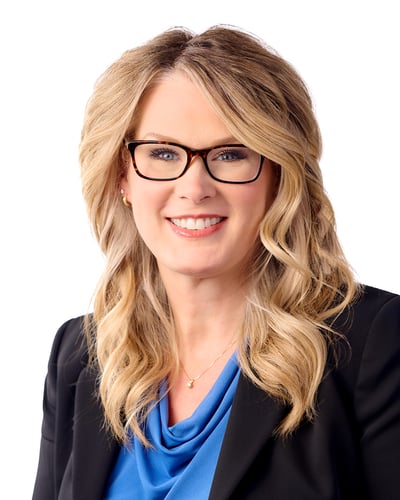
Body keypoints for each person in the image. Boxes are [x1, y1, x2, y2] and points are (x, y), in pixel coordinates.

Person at [32, 25, 400, 500]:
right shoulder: (80, 355)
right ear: (122, 177)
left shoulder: (373, 343)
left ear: (279, 175)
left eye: (229, 154)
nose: (194, 187)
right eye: (162, 153)